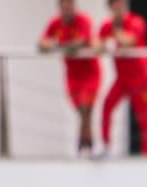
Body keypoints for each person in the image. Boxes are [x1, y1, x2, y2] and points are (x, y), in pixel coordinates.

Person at [39, 0, 101, 158]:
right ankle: (88, 144)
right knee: (82, 111)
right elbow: (42, 43)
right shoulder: (55, 23)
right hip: (72, 76)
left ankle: (82, 147)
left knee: (87, 108)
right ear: (59, 8)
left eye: (71, 5)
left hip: (90, 73)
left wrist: (59, 46)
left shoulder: (83, 20)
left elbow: (81, 42)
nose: (68, 9)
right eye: (65, 6)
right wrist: (50, 45)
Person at [97, 0, 147, 157]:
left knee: (145, 118)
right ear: (110, 7)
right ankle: (105, 146)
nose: (119, 8)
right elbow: (96, 44)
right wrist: (105, 43)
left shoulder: (136, 21)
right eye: (115, 5)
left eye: (121, 5)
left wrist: (113, 37)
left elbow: (129, 41)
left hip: (142, 78)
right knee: (107, 105)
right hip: (123, 79)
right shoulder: (106, 26)